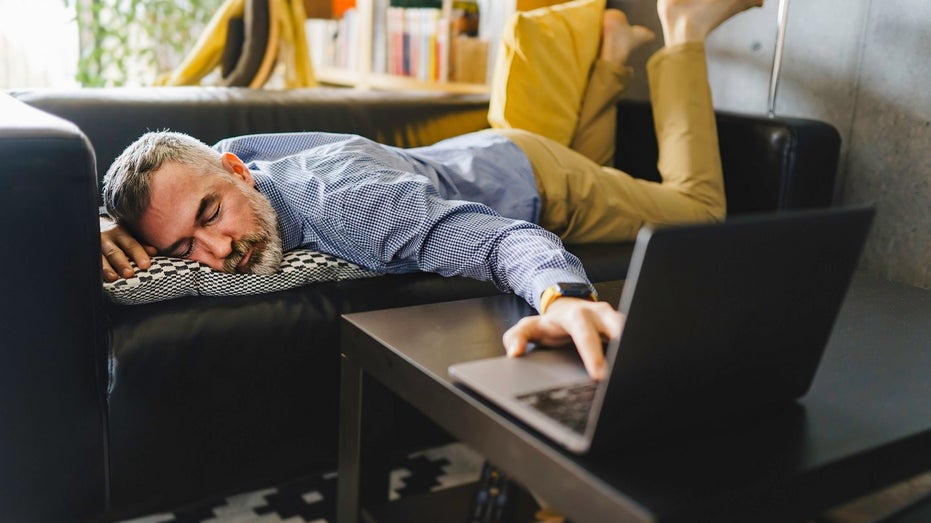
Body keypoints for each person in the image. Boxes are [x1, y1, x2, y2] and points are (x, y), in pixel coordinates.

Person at [99, 0, 764, 381]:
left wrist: (562, 296)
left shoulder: (352, 205)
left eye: (210, 214)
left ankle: (684, 31)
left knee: (700, 211)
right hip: (485, 149)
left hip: (537, 183)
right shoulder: (233, 163)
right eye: (185, 246)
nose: (217, 250)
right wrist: (104, 228)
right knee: (589, 157)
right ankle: (610, 52)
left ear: (237, 179)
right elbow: (176, 197)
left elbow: (503, 239)